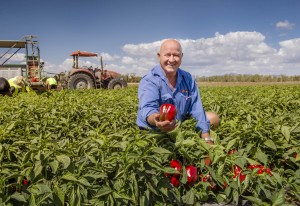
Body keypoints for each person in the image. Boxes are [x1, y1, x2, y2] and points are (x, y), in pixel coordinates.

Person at [136, 39, 220, 144]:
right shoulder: (150, 80)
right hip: (154, 128)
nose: (171, 60)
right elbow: (148, 108)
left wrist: (207, 138)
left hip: (177, 123)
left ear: (181, 57)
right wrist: (157, 120)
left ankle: (190, 135)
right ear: (159, 56)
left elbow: (196, 107)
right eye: (167, 55)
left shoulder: (187, 78)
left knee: (213, 118)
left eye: (176, 55)